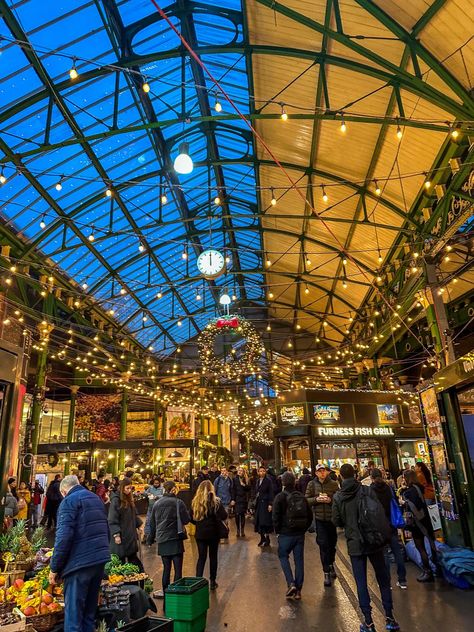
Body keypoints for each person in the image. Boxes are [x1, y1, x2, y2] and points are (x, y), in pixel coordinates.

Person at [333, 463, 399, 632]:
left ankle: (368, 622)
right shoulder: (367, 490)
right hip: (374, 540)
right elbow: (378, 511)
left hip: (355, 543)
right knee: (383, 579)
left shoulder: (338, 496)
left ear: (340, 476)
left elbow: (337, 521)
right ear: (355, 475)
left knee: (361, 582)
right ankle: (390, 618)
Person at [49, 475, 110, 632]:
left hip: (79, 564)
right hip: (99, 561)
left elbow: (63, 537)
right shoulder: (96, 499)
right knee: (89, 615)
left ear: (64, 491)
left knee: (74, 617)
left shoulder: (68, 502)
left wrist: (54, 568)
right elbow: (105, 528)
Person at [273, 471, 312, 600]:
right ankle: (298, 590)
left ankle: (291, 583)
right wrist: (303, 529)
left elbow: (275, 517)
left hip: (285, 533)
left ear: (283, 482)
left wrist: (278, 531)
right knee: (299, 561)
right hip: (299, 534)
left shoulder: (280, 497)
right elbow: (309, 516)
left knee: (283, 556)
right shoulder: (301, 497)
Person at [148, 480, 190, 595]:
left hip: (162, 539)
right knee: (177, 570)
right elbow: (186, 520)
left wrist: (150, 539)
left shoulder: (157, 503)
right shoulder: (179, 502)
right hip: (176, 538)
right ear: (173, 489)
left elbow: (152, 524)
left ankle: (166, 592)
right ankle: (176, 594)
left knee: (166, 569)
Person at [370, 469, 407, 590]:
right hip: (392, 523)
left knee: (384, 554)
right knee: (397, 552)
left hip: (380, 526)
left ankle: (386, 582)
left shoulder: (371, 490)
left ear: (371, 478)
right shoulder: (389, 488)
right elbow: (396, 503)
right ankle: (402, 580)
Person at [402, 470, 440, 582]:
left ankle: (428, 571)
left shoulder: (410, 492)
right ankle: (437, 568)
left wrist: (404, 502)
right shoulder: (419, 488)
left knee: (420, 547)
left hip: (417, 523)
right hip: (426, 520)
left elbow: (413, 508)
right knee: (431, 543)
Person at [305, 464, 339, 586]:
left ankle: (331, 563)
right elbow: (306, 500)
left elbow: (338, 499)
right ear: (316, 473)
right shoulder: (312, 484)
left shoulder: (334, 484)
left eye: (323, 470)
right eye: (320, 471)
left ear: (327, 472)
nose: (322, 473)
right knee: (323, 545)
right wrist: (316, 500)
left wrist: (330, 500)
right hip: (319, 520)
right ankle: (326, 572)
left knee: (332, 544)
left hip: (331, 520)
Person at [190, 480, 228, 590]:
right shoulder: (216, 502)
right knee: (213, 557)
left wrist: (199, 523)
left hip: (200, 534)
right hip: (213, 533)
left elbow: (190, 517)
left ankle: (198, 580)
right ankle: (212, 581)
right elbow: (224, 515)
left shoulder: (195, 502)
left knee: (201, 557)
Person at [108, 477, 144, 572]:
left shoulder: (129, 500)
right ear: (122, 488)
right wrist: (116, 534)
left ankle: (137, 582)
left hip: (130, 535)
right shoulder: (116, 500)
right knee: (121, 562)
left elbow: (133, 515)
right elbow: (112, 519)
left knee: (133, 560)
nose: (129, 490)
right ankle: (124, 583)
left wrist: (139, 524)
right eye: (127, 488)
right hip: (122, 536)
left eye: (130, 488)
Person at [254, 466, 274, 547]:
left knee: (265, 522)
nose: (262, 472)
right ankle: (262, 538)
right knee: (259, 521)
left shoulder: (268, 481)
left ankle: (267, 538)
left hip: (265, 503)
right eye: (260, 471)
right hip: (259, 503)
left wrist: (270, 504)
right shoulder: (258, 480)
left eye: (263, 471)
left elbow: (271, 492)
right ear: (258, 472)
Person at [233, 466, 250, 536]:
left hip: (243, 499)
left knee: (242, 515)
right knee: (237, 515)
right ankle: (238, 529)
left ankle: (242, 530)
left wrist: (244, 485)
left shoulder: (246, 479)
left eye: (241, 471)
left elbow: (249, 488)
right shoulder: (234, 479)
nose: (240, 472)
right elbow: (233, 489)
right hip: (237, 499)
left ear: (243, 472)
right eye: (239, 471)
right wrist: (233, 499)